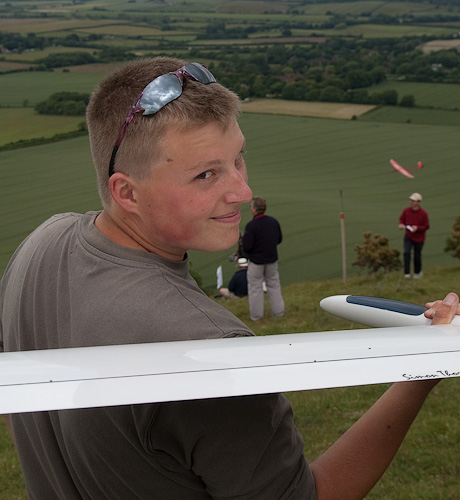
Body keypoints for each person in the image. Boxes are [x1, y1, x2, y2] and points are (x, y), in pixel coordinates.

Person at [0, 57, 458, 500]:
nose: (242, 190)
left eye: (238, 158)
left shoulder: (40, 244)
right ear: (127, 192)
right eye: (205, 174)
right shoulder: (212, 351)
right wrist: (422, 370)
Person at [242, 196, 285, 321]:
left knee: (255, 288)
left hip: (256, 262)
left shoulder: (251, 226)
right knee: (274, 285)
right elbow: (279, 239)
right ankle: (279, 313)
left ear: (255, 209)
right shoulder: (273, 222)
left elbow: (247, 246)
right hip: (271, 260)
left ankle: (256, 316)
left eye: (251, 206)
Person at [398, 192, 430, 279]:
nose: (411, 202)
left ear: (418, 202)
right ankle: (407, 274)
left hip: (419, 238)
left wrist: (417, 228)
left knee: (417, 256)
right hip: (408, 236)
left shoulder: (424, 213)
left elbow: (426, 226)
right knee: (406, 253)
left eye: (413, 200)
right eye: (411, 200)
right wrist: (401, 225)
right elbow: (401, 219)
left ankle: (417, 272)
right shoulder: (406, 211)